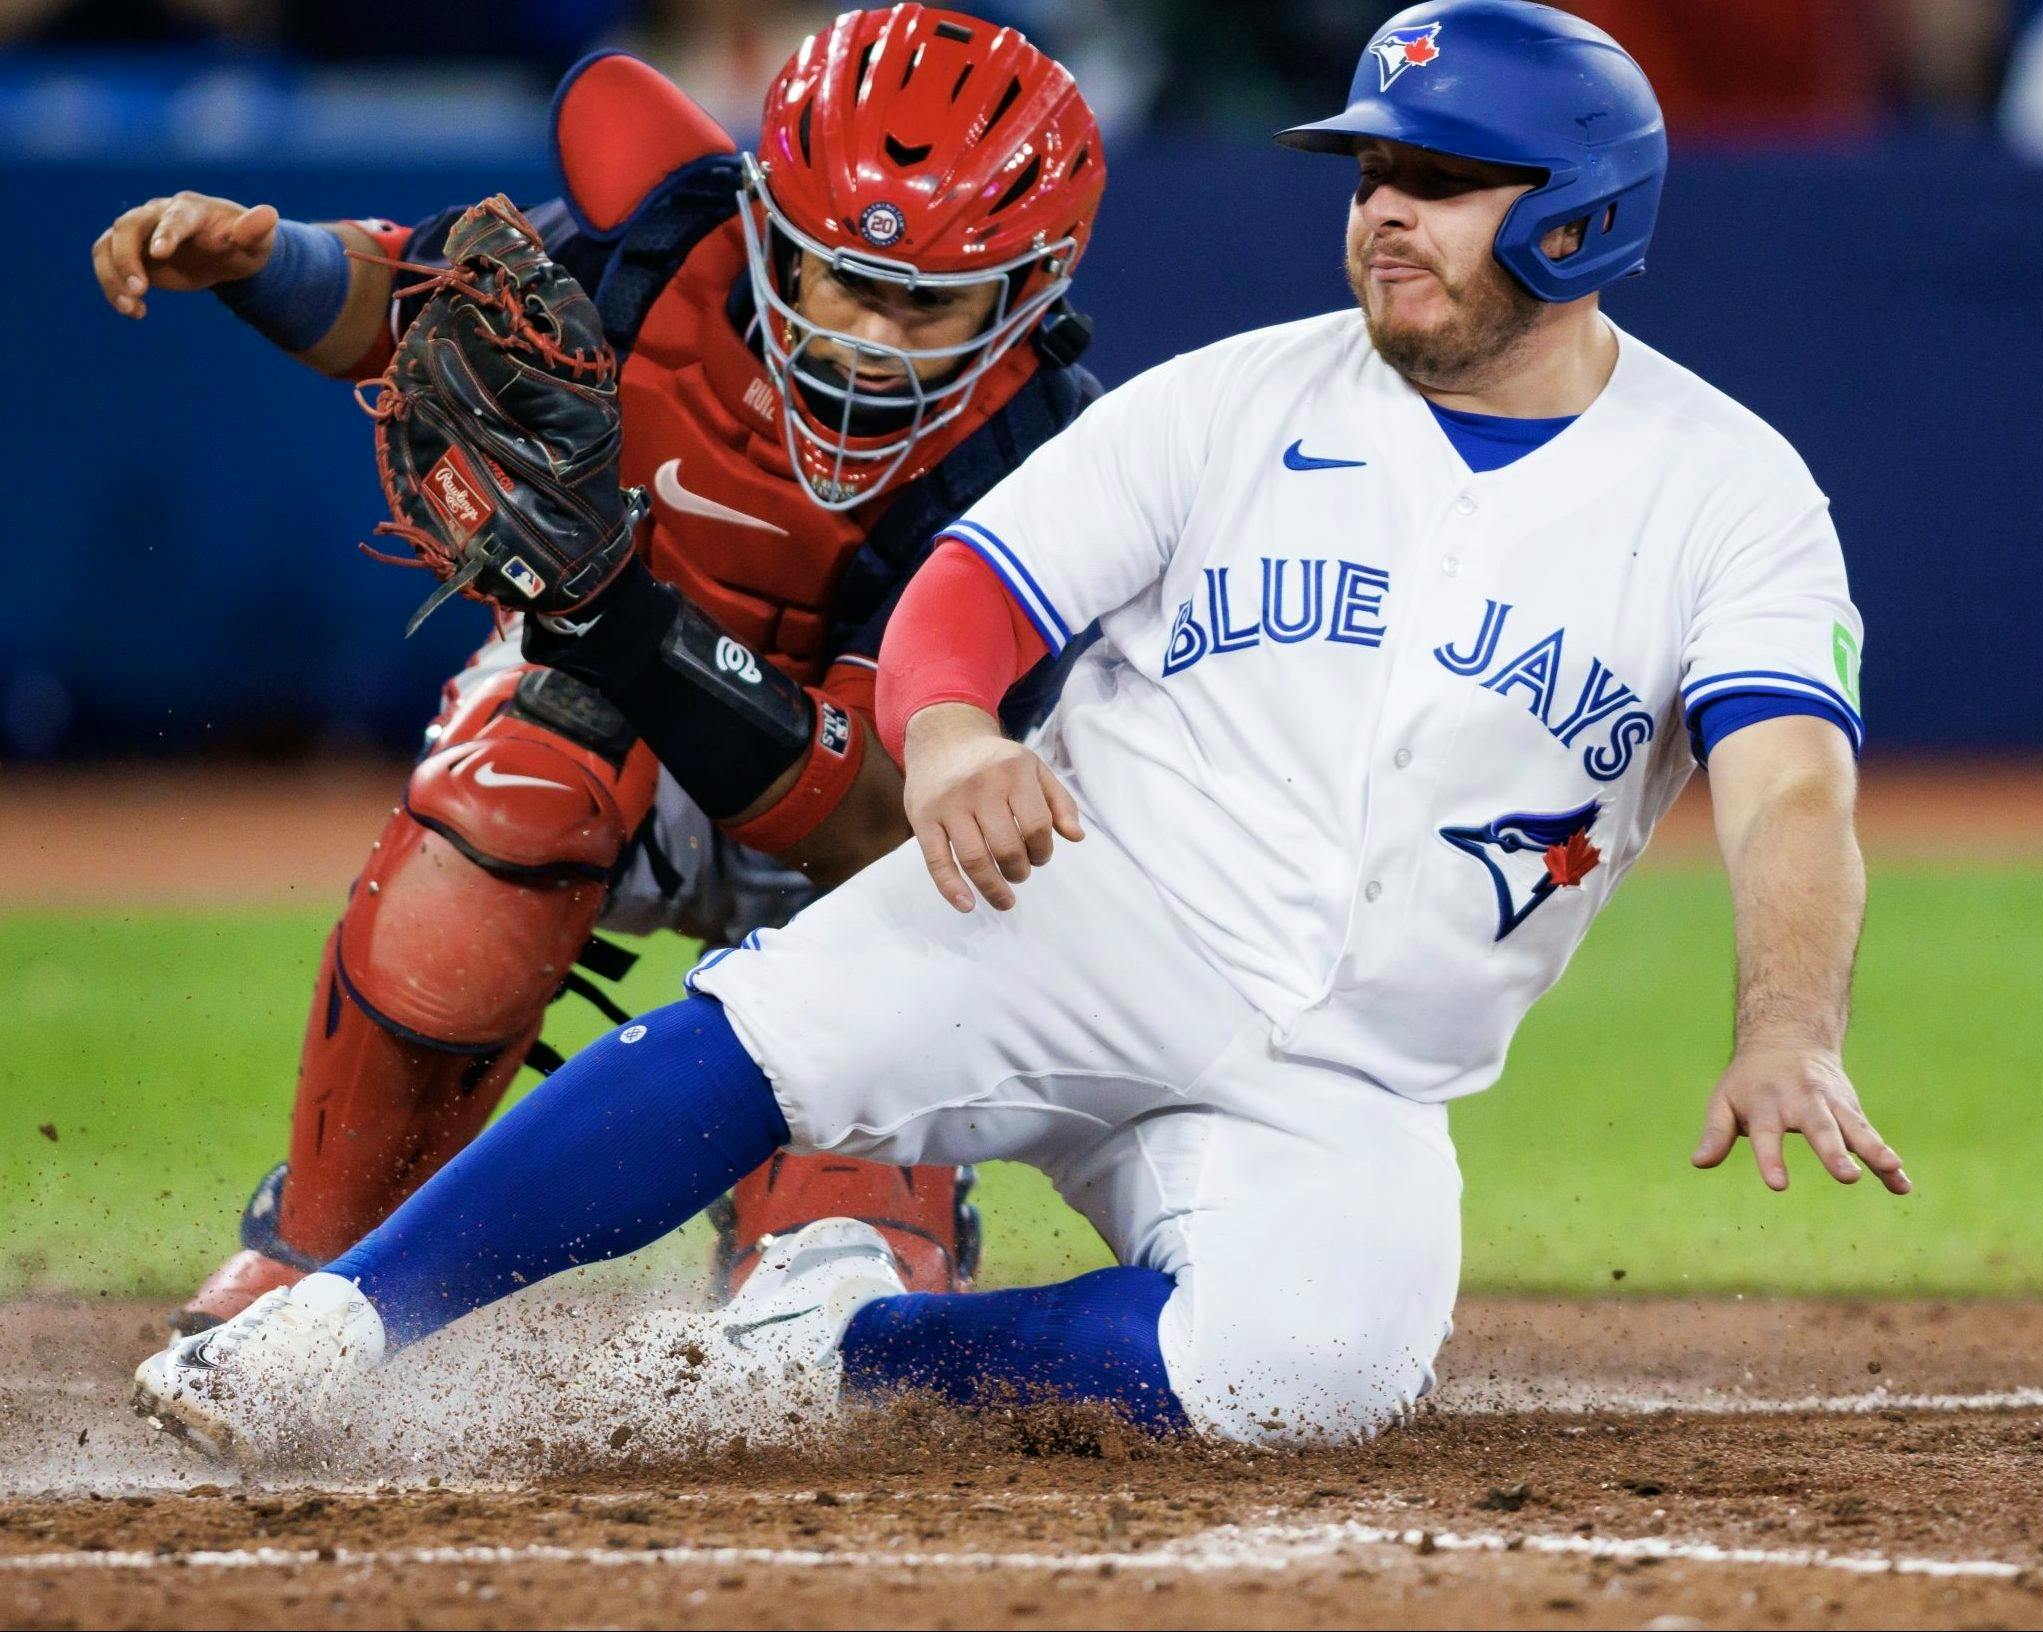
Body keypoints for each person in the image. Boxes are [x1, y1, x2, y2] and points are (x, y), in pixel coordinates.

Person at [135, 0, 1910, 1459]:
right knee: (769, 1028)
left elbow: (1788, 786)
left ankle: (840, 1358)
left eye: (1439, 180)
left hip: (1354, 1071)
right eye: (1371, 168)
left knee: (1307, 1375)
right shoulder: (1238, 399)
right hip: (1088, 917)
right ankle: (321, 1331)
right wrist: (963, 736)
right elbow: (975, 593)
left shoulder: (1727, 494)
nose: (1382, 208)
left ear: (1581, 217)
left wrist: (1790, 1030)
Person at [89, 6, 1106, 1328]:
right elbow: (417, 300)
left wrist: (622, 614)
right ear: (763, 226)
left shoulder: (1053, 455)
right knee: (512, 787)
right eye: (837, 277)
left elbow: (870, 825)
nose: (866, 334)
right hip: (606, 728)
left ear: (1028, 292)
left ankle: (849, 1230)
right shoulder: (659, 256)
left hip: (858, 817)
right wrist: (258, 259)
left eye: (926, 304)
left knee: (839, 1281)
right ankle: (324, 1249)